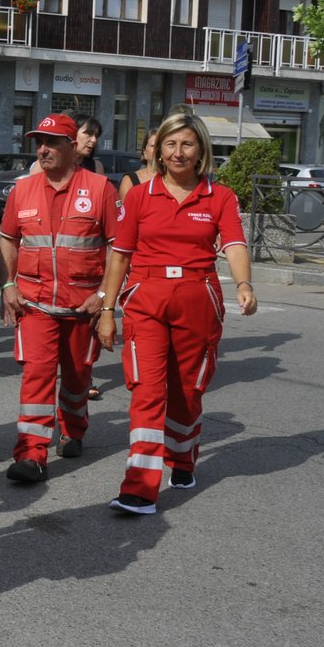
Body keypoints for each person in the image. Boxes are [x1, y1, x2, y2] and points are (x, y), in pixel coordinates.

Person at [97, 114, 256, 514]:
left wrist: (244, 285)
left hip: (197, 296)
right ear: (158, 150)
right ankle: (139, 488)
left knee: (187, 393)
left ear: (200, 149)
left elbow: (234, 243)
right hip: (146, 298)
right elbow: (120, 256)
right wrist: (106, 309)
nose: (178, 152)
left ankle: (182, 458)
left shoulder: (220, 197)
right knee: (147, 391)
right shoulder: (139, 196)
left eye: (186, 144)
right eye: (170, 145)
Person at [0, 114, 120, 483]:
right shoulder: (22, 189)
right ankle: (32, 453)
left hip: (82, 308)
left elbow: (118, 248)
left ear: (71, 147)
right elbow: (7, 239)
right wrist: (8, 287)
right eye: (39, 143)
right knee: (37, 375)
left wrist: (103, 296)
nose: (43, 149)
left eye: (52, 143)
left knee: (78, 376)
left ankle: (74, 428)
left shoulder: (100, 189)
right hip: (34, 305)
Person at [120, 131, 158, 200]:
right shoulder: (130, 180)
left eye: (161, 145)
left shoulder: (174, 180)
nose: (158, 149)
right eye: (153, 146)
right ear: (144, 152)